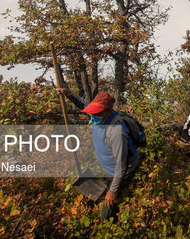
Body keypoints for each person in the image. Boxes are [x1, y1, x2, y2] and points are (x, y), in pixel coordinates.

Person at [57, 87, 139, 222]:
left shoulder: (117, 131)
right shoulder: (97, 115)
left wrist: (112, 192)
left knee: (110, 201)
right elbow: (84, 104)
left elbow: (121, 166)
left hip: (123, 168)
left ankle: (109, 223)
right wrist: (69, 94)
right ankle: (115, 201)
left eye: (97, 113)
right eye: (93, 112)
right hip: (109, 168)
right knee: (109, 189)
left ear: (108, 111)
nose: (93, 115)